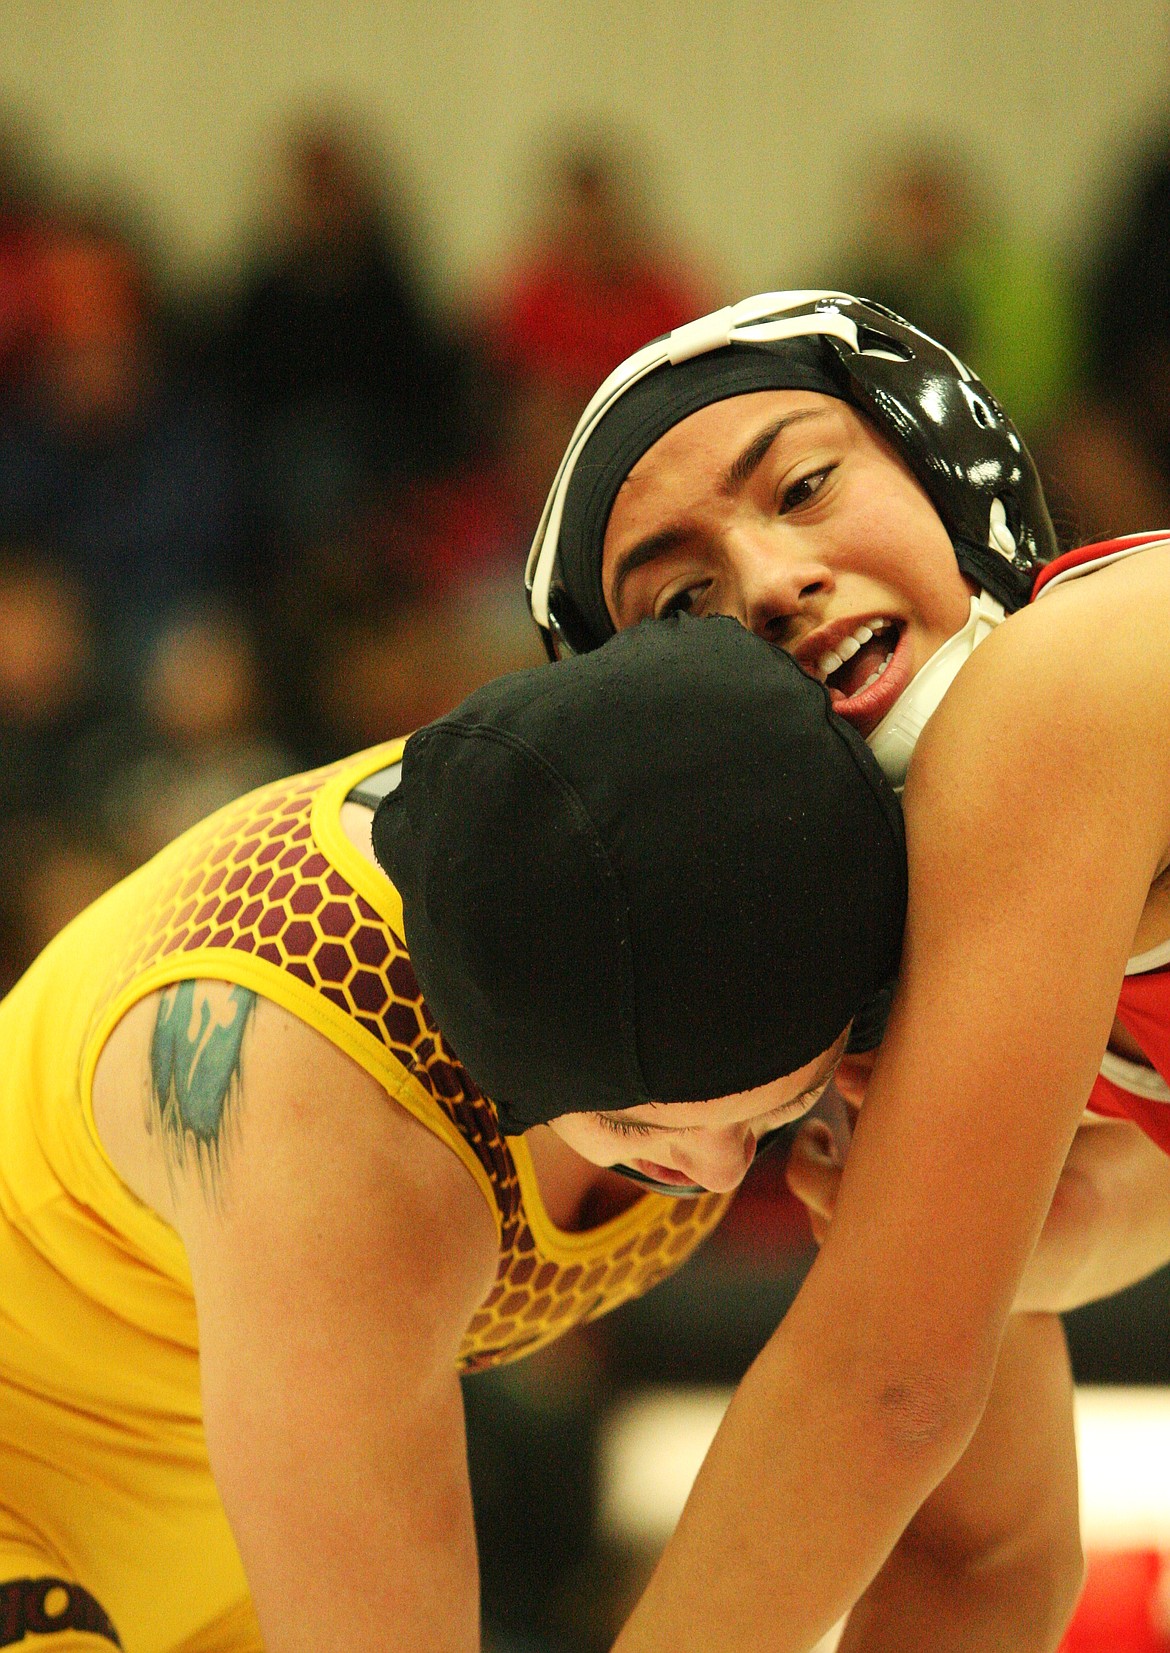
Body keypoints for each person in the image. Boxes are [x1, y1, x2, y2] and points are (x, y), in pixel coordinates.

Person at [499, 288, 1170, 1649]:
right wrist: (1025, 1241)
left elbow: (883, 1392)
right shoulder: (990, 908)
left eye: (804, 484)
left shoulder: (1072, 675)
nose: (766, 581)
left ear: (951, 467)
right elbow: (977, 1570)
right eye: (682, 597)